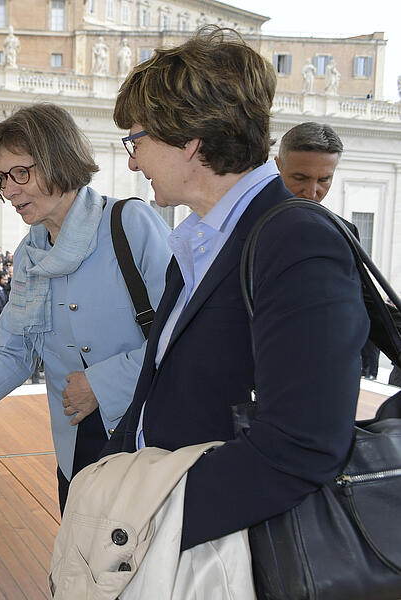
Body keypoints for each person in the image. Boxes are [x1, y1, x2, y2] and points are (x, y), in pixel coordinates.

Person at [101, 27, 368, 550]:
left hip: (217, 549)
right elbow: (155, 390)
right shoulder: (200, 239)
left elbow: (303, 446)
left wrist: (149, 525)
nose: (132, 161)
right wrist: (110, 479)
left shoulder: (297, 241)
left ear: (190, 143)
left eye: (136, 141)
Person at [0, 102, 172, 510]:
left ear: (58, 159)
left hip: (145, 438)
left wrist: (100, 386)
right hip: (75, 447)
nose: (9, 191)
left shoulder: (129, 224)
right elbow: (15, 352)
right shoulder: (28, 258)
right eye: (1, 179)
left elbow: (180, 333)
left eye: (20, 173)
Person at [275, 122, 381, 380]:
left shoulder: (345, 232)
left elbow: (370, 306)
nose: (312, 192)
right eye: (300, 178)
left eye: (324, 180)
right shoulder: (244, 224)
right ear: (278, 166)